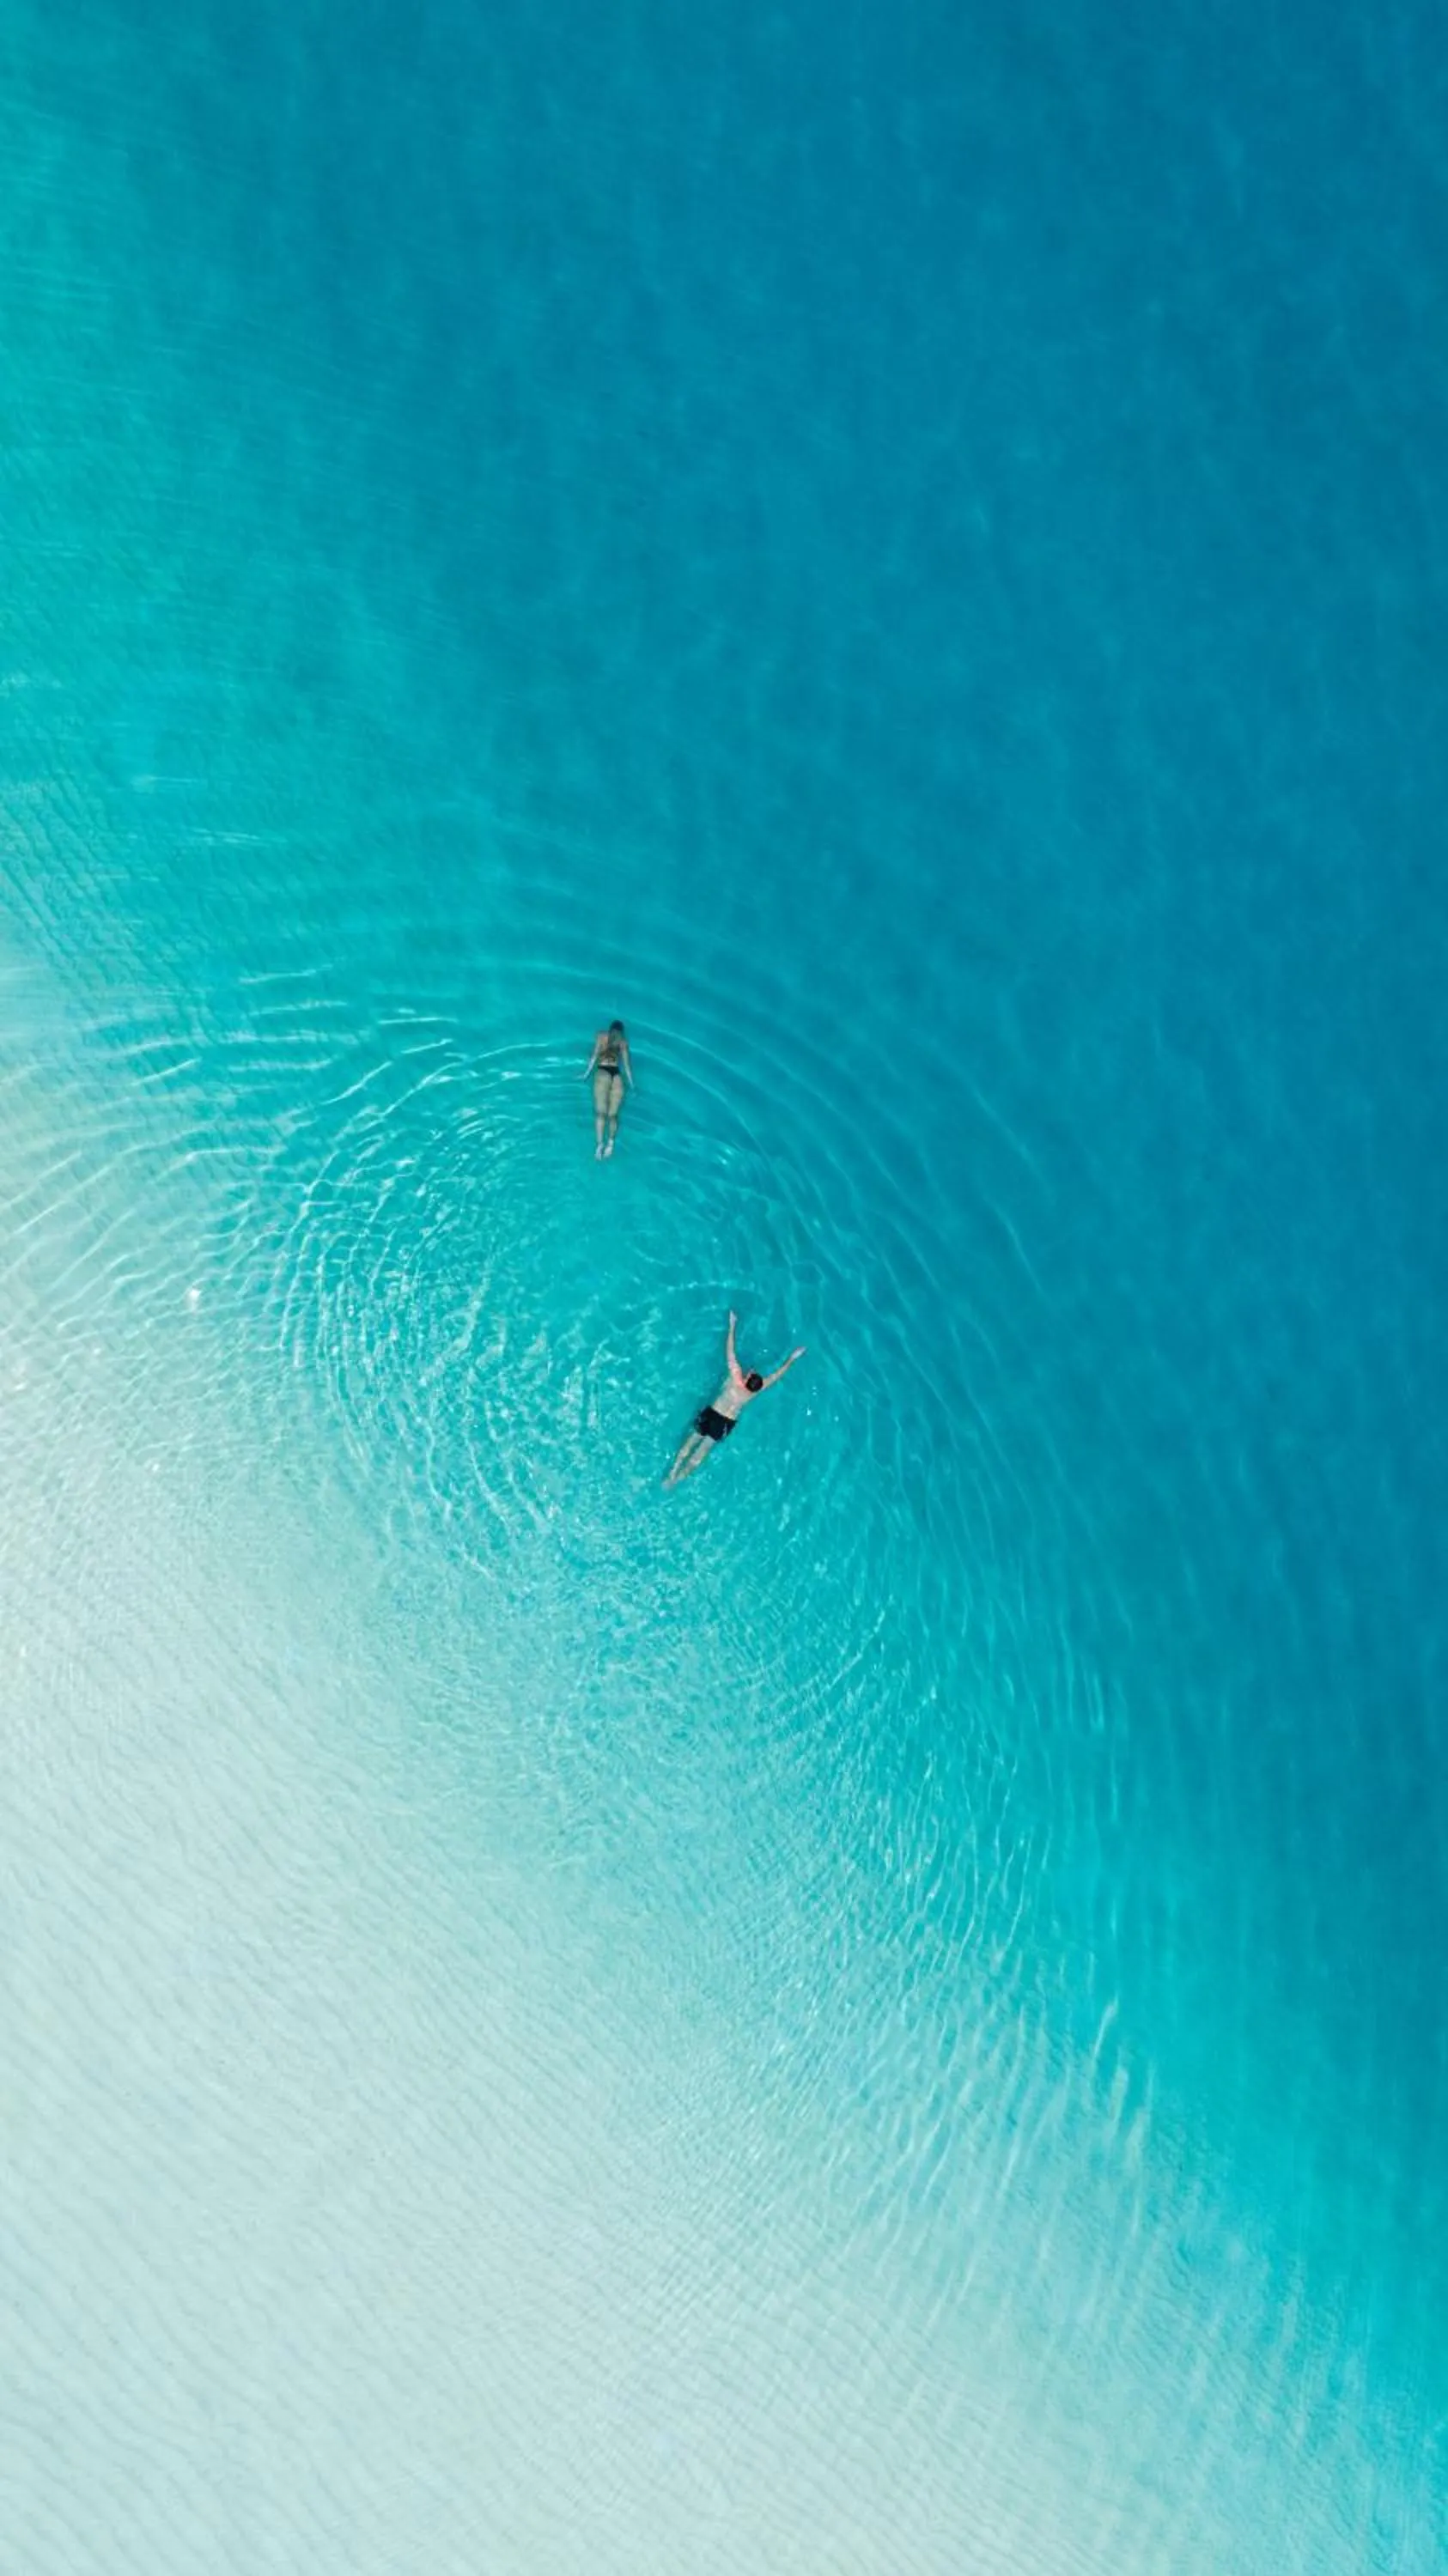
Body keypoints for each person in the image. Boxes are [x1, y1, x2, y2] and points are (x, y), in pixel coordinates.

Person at [665, 1310, 806, 1486]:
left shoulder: (736, 1377)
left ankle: (672, 1473)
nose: (752, 1372)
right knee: (701, 1453)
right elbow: (778, 1375)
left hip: (713, 1412)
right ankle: (678, 1480)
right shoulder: (754, 1392)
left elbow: (730, 1351)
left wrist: (732, 1326)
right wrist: (792, 1358)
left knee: (690, 1442)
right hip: (725, 1423)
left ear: (746, 1379)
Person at [582, 1018, 633, 1158]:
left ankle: (600, 1145)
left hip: (603, 1071)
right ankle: (610, 1143)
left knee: (601, 1113)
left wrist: (586, 1075)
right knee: (613, 1115)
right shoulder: (622, 1043)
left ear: (610, 1029)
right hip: (616, 1075)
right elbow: (627, 1068)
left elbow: (594, 1056)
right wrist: (632, 1086)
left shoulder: (601, 1036)